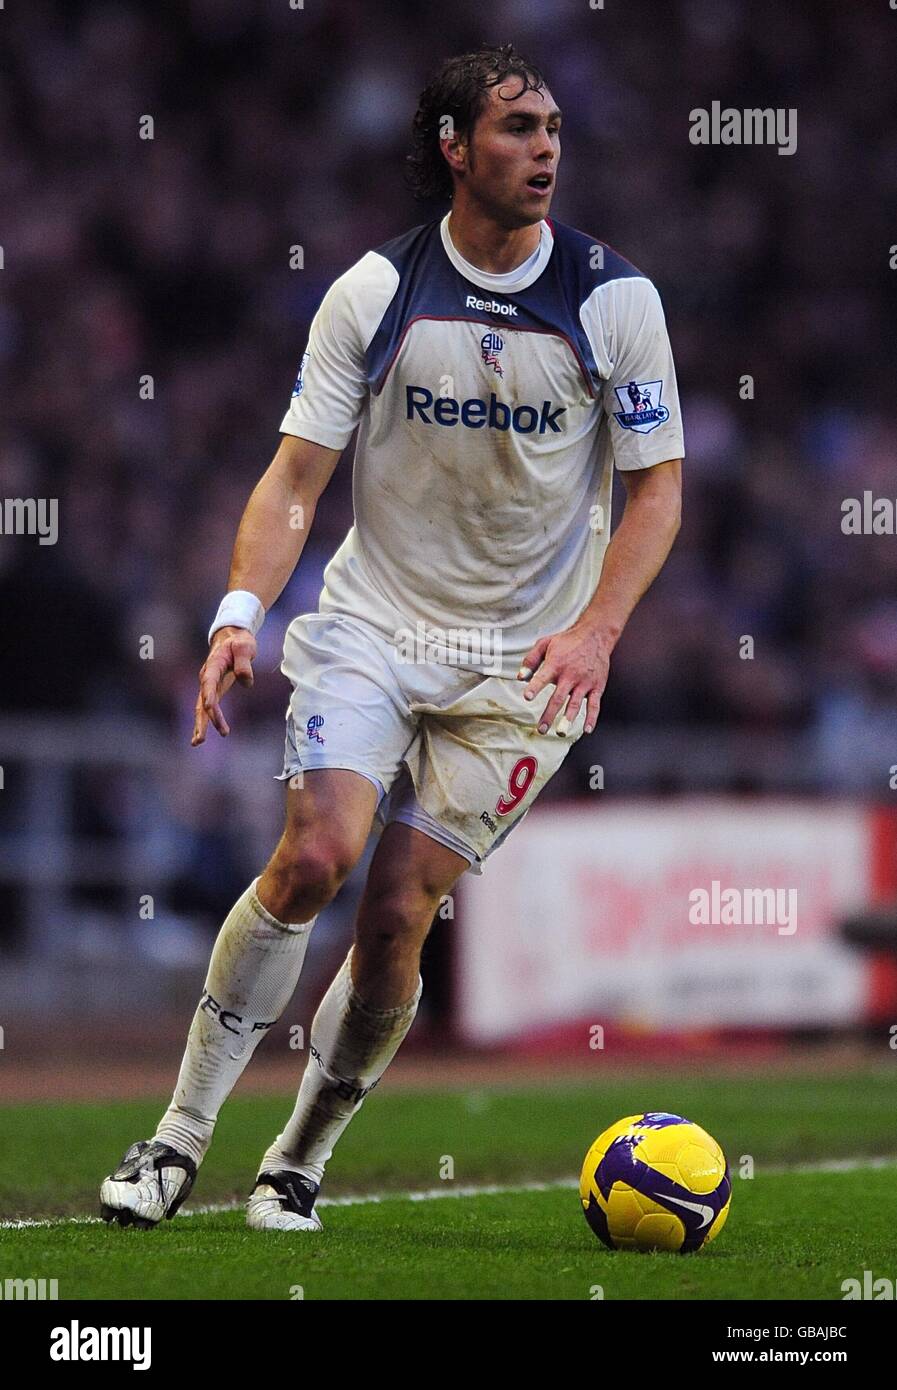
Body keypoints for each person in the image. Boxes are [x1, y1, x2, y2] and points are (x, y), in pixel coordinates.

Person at [100, 43, 683, 1233]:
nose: (547, 150)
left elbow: (658, 490)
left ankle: (299, 1157)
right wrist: (235, 615)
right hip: (376, 620)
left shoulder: (615, 299)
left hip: (526, 665)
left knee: (397, 912)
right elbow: (295, 478)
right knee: (314, 856)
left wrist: (598, 629)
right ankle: (176, 1139)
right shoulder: (373, 291)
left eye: (557, 128)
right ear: (454, 149)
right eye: (518, 128)